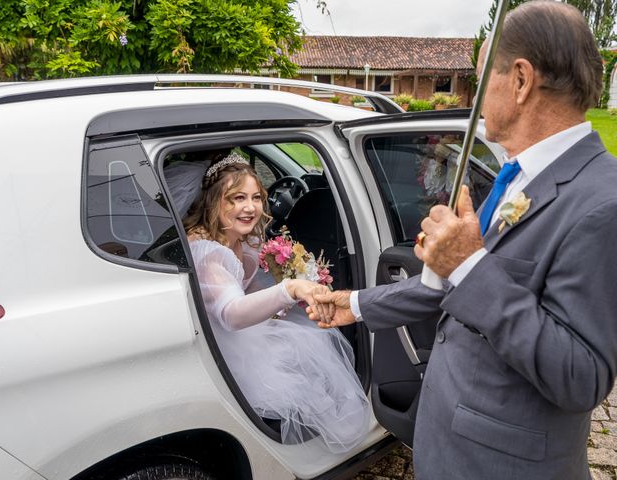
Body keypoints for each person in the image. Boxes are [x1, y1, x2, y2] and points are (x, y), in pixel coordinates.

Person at [308, 2, 617, 478]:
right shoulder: (518, 175)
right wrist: (356, 304)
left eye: (481, 78)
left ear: (519, 80)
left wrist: (469, 264)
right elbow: (454, 291)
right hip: (450, 443)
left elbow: (581, 377)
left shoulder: (603, 202)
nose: (474, 97)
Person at [182, 151, 370, 453]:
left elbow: (253, 290)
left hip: (247, 334)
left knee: (314, 339)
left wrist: (288, 296)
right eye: (237, 198)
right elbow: (231, 314)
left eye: (256, 198)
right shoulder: (207, 252)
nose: (250, 207)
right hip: (224, 348)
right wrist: (289, 288)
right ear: (214, 201)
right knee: (306, 367)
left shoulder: (245, 240)